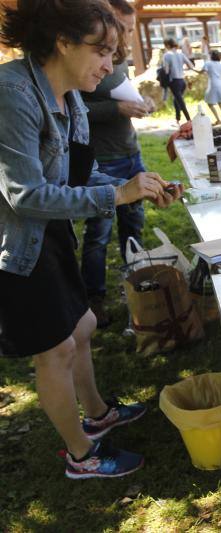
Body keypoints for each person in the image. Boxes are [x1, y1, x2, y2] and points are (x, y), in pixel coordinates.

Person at [0, 0, 183, 479]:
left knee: (82, 326)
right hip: (17, 245)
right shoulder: (12, 92)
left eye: (113, 53)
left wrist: (139, 187)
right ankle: (81, 455)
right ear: (63, 42)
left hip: (50, 233)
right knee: (55, 349)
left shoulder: (72, 97)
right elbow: (25, 195)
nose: (109, 66)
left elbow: (79, 175)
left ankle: (98, 413)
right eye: (102, 51)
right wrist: (117, 195)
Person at [80, 0, 155, 328]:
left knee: (134, 225)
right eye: (122, 28)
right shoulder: (89, 59)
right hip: (103, 161)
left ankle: (134, 288)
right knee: (98, 235)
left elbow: (124, 96)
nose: (126, 36)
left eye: (130, 29)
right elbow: (76, 107)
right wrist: (117, 110)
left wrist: (142, 103)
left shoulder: (119, 60)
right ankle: (94, 299)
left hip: (131, 153)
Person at [162, 37, 193, 125]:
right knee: (176, 100)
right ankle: (177, 120)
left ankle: (189, 120)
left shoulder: (167, 55)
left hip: (174, 81)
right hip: (182, 81)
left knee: (180, 101)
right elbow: (190, 65)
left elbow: (166, 71)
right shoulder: (181, 54)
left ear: (168, 45)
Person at [201, 50, 221, 126]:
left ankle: (218, 120)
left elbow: (201, 72)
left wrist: (192, 69)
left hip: (213, 84)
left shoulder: (208, 63)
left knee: (210, 103)